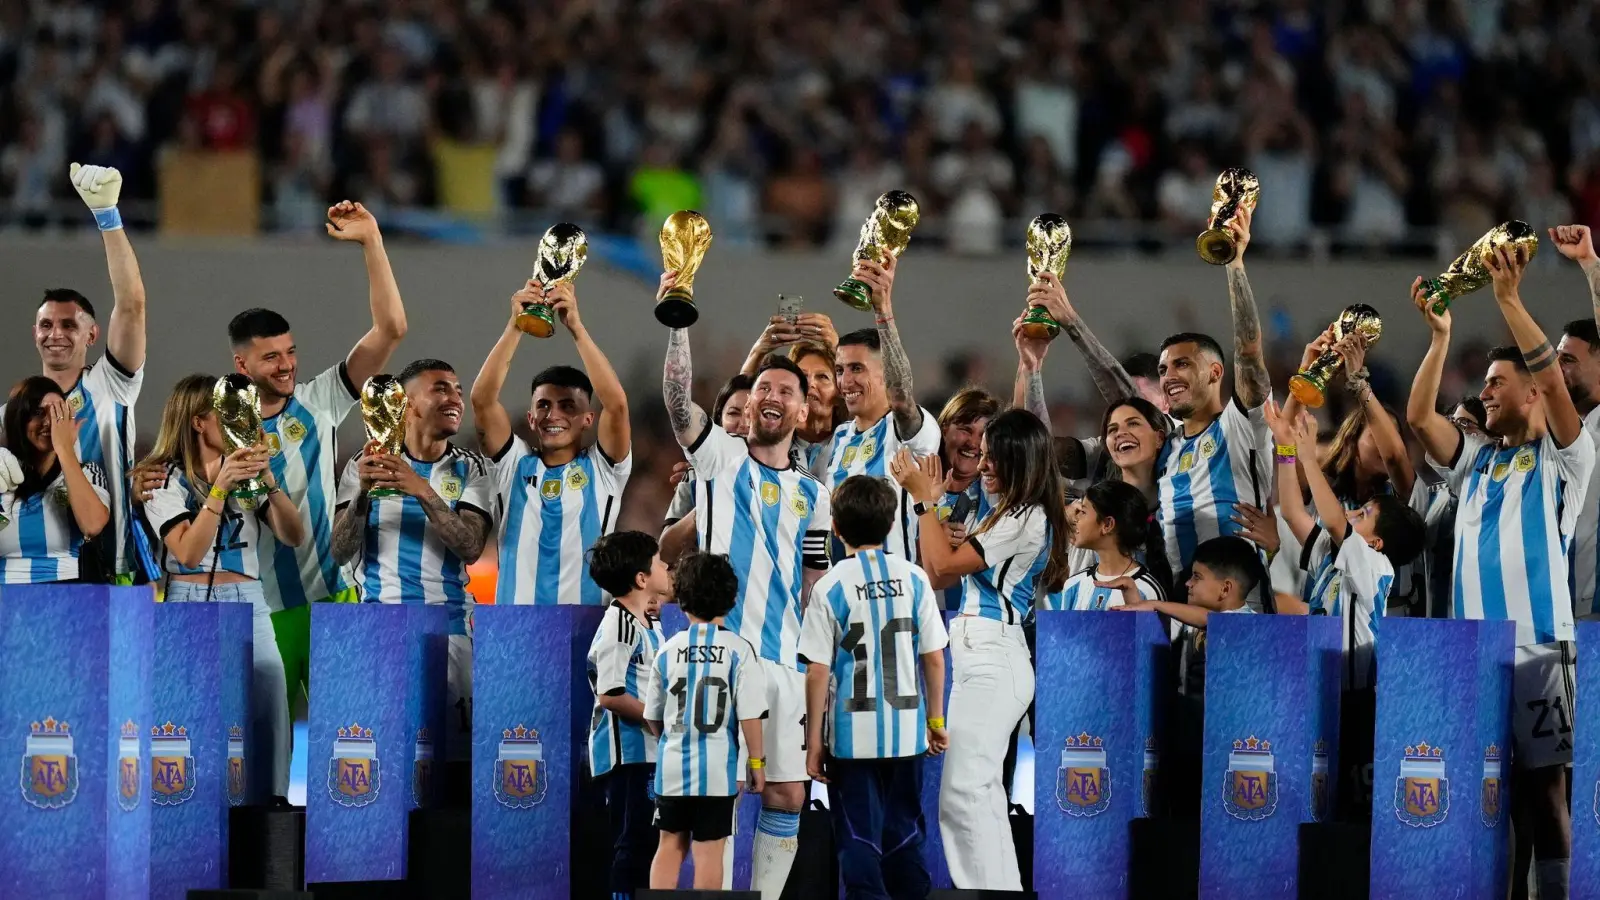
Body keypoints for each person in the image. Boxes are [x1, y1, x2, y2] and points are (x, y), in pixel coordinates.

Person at [1405, 244, 1593, 900]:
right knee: (1485, 793)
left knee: (1547, 791)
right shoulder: (1474, 463)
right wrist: (1440, 336)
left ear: (1536, 392)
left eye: (1496, 382)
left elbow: (1553, 376)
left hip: (1542, 649)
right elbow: (1419, 418)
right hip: (1473, 656)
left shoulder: (1567, 459)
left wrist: (1510, 300)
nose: (1482, 390)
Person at [660, 274, 832, 899]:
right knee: (717, 790)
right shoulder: (719, 458)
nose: (772, 395)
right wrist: (678, 319)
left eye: (787, 390)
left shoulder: (814, 496)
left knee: (787, 791)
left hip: (785, 660)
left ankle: (763, 895)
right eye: (763, 386)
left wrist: (820, 666)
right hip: (720, 656)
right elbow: (679, 404)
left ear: (803, 412)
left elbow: (813, 582)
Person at [225, 200, 409, 715]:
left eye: (290, 352)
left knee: (353, 732)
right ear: (241, 363)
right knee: (266, 750)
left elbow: (391, 328)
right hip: (264, 609)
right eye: (271, 357)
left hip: (333, 597)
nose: (286, 366)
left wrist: (372, 241)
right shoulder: (217, 428)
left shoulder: (318, 399)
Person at [890, 409, 1070, 890]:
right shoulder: (1001, 511)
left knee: (963, 793)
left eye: (994, 456)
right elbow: (935, 571)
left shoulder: (1025, 516)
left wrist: (926, 503)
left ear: (1020, 460)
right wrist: (930, 508)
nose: (983, 464)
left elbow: (943, 564)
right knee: (981, 794)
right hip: (978, 658)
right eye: (985, 454)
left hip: (996, 658)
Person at [139, 374, 304, 801]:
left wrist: (267, 479)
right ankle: (186, 807)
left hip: (249, 599)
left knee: (270, 707)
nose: (238, 421)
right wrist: (218, 488)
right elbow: (190, 553)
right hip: (188, 599)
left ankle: (272, 808)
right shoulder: (164, 479)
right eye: (225, 413)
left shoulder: (247, 471)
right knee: (188, 713)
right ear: (197, 421)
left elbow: (293, 534)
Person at [1268, 399, 1424, 820]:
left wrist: (1306, 454)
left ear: (1376, 542)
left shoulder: (1372, 564)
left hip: (1358, 700)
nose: (1354, 512)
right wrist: (1285, 449)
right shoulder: (1338, 555)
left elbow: (1334, 520)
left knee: (1355, 807)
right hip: (1320, 688)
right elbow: (1294, 512)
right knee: (1320, 796)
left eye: (1365, 513)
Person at [330, 359, 494, 760]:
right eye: (441, 388)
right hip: (382, 625)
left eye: (457, 389)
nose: (455, 398)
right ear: (405, 404)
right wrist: (364, 493)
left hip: (450, 625)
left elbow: (471, 546)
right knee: (385, 754)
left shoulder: (471, 468)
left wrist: (419, 488)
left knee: (455, 757)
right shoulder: (362, 465)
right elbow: (339, 550)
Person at [798, 475, 949, 900]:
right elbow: (934, 657)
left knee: (858, 840)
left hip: (852, 738)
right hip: (907, 733)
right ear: (888, 526)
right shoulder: (914, 577)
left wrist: (814, 743)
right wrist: (935, 720)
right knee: (904, 835)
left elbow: (817, 672)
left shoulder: (829, 586)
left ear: (836, 528)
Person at [0, 164, 149, 585]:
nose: (56, 334)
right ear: (34, 333)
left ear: (92, 334)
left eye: (69, 325)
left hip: (113, 565)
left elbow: (133, 304)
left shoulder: (111, 385)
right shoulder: (11, 414)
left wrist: (108, 217)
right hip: (25, 578)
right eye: (46, 325)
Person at [471, 279, 631, 605]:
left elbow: (616, 405)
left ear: (589, 419)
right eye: (543, 405)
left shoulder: (604, 471)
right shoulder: (513, 464)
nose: (553, 414)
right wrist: (516, 326)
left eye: (567, 406)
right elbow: (482, 400)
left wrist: (577, 329)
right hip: (514, 631)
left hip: (585, 631)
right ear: (530, 418)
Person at [644, 552, 767, 892]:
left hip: (672, 770)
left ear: (682, 599)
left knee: (669, 846)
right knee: (709, 853)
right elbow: (750, 715)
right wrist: (756, 763)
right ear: (731, 599)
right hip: (716, 773)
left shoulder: (668, 649)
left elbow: (653, 715)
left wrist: (669, 740)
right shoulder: (739, 650)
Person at [1119, 535, 1265, 818]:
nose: (1188, 583)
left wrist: (1158, 604)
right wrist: (1136, 602)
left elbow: (1215, 623)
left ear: (1225, 588)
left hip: (1225, 752)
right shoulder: (1190, 622)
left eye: (1197, 577)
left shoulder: (1248, 624)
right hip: (1188, 742)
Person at [824, 255, 940, 561]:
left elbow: (901, 397)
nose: (845, 381)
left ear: (884, 373)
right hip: (841, 593)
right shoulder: (838, 439)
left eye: (857, 369)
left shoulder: (908, 432)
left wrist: (882, 309)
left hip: (893, 593)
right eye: (839, 370)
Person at [586, 530, 670, 899]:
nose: (667, 566)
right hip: (629, 756)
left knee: (649, 840)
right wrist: (661, 723)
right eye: (659, 562)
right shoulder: (619, 623)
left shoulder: (646, 622)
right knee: (633, 840)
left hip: (650, 752)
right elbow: (611, 694)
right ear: (641, 578)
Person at [0, 377, 110, 582]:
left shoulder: (88, 472)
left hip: (66, 599)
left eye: (59, 413)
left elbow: (92, 525)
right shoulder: (3, 472)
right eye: (38, 412)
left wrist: (64, 448)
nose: (49, 422)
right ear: (19, 419)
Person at [1551, 223, 1600, 620]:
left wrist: (1589, 264)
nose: (1556, 370)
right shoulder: (1559, 431)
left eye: (1568, 360)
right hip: (1559, 607)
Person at [1042, 480, 1169, 611]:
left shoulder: (1148, 591)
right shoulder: (1073, 584)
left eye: (1083, 512)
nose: (1074, 519)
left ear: (1107, 525)